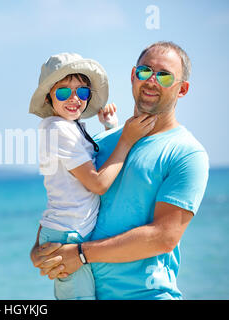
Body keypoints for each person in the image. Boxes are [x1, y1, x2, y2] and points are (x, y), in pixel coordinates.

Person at [30, 42, 209, 300]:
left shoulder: (187, 153)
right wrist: (40, 249)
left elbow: (164, 237)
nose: (152, 81)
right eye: (145, 72)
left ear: (182, 89)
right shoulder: (103, 142)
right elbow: (67, 195)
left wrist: (80, 253)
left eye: (165, 75)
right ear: (133, 76)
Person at [28, 52, 157, 299]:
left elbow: (87, 170)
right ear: (48, 97)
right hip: (66, 235)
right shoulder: (58, 130)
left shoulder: (71, 126)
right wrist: (127, 139)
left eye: (83, 92)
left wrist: (110, 128)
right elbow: (97, 183)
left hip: (67, 230)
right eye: (64, 92)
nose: (74, 99)